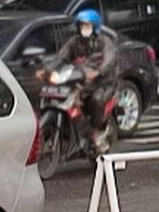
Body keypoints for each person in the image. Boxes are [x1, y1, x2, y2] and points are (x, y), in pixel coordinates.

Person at [47, 9, 118, 151]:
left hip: (102, 82)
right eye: (82, 25)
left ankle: (96, 132)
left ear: (95, 26)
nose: (84, 29)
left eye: (87, 25)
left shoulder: (104, 42)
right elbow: (61, 57)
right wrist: (48, 70)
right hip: (81, 81)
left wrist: (98, 71)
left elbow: (109, 59)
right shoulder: (74, 42)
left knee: (96, 100)